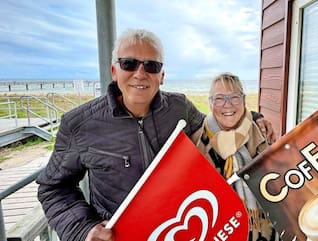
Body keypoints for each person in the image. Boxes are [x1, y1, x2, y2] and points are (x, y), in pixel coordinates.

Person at [36, 28, 275, 241]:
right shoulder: (80, 124)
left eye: (151, 66)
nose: (140, 73)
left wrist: (254, 118)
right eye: (129, 63)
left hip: (187, 228)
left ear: (162, 75)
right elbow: (53, 188)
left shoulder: (179, 107)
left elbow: (213, 123)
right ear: (114, 71)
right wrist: (83, 229)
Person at [192, 72, 279, 241]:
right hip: (225, 230)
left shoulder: (261, 132)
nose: (227, 105)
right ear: (210, 104)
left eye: (234, 97)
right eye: (219, 98)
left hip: (267, 227)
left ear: (244, 101)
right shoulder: (200, 142)